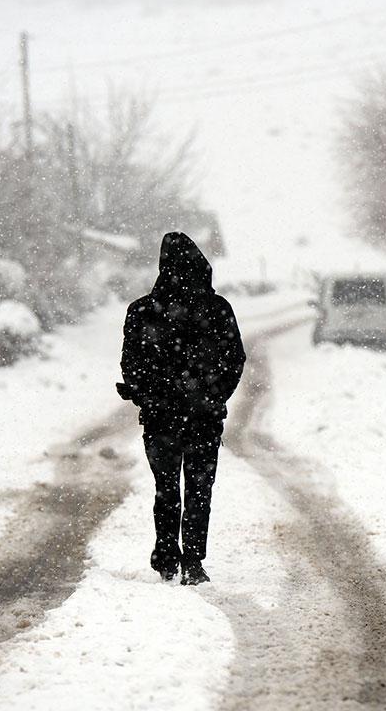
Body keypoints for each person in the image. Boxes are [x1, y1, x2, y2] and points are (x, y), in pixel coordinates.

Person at [118, 232, 245, 585]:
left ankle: (167, 556)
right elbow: (234, 360)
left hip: (161, 420)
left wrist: (153, 396)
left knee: (167, 489)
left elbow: (132, 365)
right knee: (199, 491)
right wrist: (213, 395)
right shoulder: (217, 310)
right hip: (203, 418)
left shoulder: (143, 311)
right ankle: (192, 560)